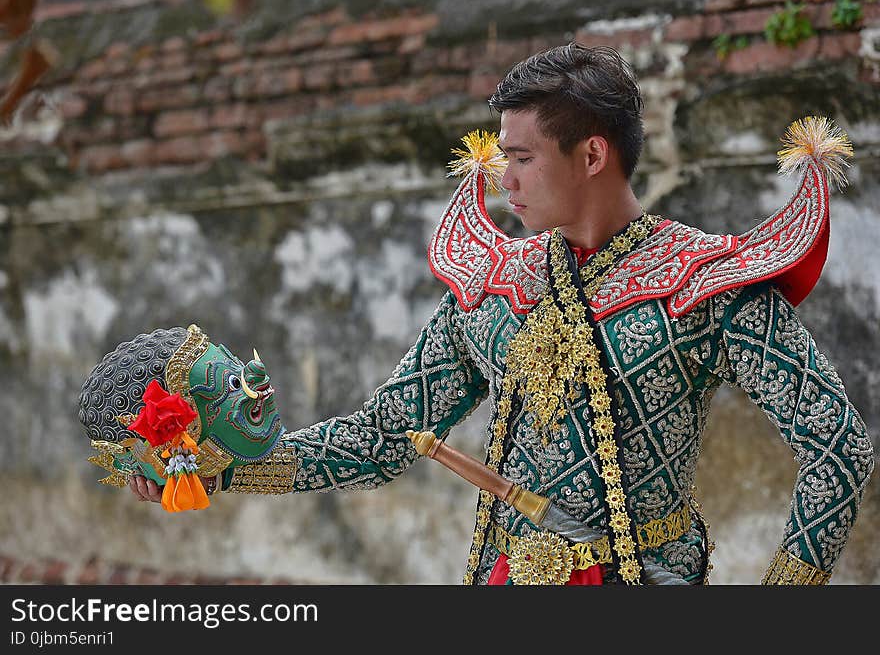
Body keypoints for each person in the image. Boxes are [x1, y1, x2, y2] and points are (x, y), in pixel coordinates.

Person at [127, 43, 874, 584]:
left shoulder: (706, 282)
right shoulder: (493, 285)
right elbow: (384, 435)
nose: (503, 180)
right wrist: (223, 469)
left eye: (521, 158)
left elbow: (837, 446)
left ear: (591, 156)